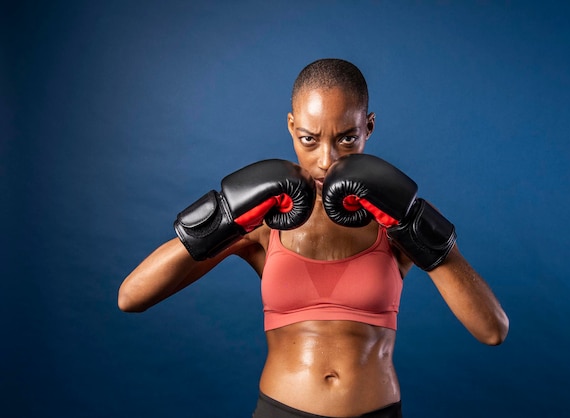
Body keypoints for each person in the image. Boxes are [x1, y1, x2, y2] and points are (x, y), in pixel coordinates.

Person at [118, 58, 509, 418]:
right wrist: (223, 215)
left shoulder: (392, 216)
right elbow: (131, 297)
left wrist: (416, 226)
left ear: (368, 127)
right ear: (291, 127)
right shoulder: (266, 219)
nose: (326, 160)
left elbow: (492, 330)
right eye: (309, 139)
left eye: (346, 139)